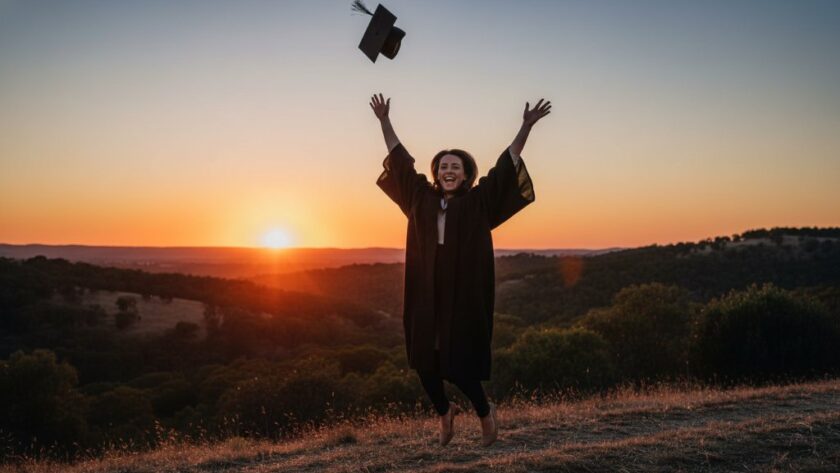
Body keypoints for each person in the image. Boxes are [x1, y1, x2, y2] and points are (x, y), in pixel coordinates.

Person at [370, 93, 549, 447]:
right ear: (436, 173)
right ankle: (445, 412)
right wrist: (384, 121)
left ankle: (485, 413)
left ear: (466, 175)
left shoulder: (477, 203)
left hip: (462, 292)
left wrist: (525, 126)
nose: (448, 171)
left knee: (457, 364)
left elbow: (506, 166)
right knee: (424, 359)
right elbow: (401, 162)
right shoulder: (419, 198)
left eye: (455, 167)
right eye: (443, 166)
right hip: (425, 291)